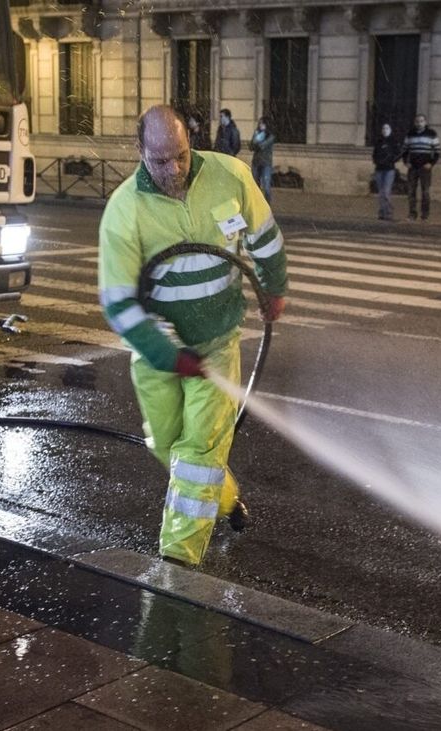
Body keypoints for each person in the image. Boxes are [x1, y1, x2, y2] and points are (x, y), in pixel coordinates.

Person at [99, 105, 289, 567]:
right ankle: (226, 502)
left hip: (219, 340)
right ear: (140, 152)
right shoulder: (125, 211)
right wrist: (168, 352)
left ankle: (179, 560)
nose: (174, 169)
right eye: (160, 160)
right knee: (165, 445)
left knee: (199, 450)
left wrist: (274, 287)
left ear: (190, 142)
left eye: (180, 156)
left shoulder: (231, 175)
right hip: (157, 351)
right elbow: (120, 303)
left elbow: (265, 237)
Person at [402, 114, 440, 222]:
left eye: (422, 121)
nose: (419, 123)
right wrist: (406, 162)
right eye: (417, 121)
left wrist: (431, 164)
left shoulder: (432, 134)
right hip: (413, 167)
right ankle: (412, 215)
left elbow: (437, 152)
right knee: (411, 191)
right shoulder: (410, 134)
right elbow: (404, 150)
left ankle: (425, 216)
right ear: (415, 122)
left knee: (425, 192)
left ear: (425, 122)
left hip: (425, 167)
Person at [372, 123, 403, 221]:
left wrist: (391, 160)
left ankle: (388, 213)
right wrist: (376, 161)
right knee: (381, 192)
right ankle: (382, 212)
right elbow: (374, 154)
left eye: (387, 128)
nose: (385, 130)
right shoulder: (379, 141)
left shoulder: (393, 141)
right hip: (379, 169)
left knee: (386, 191)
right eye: (383, 128)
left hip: (389, 169)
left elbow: (399, 153)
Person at [249, 117, 276, 202]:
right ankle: (256, 204)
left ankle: (267, 205)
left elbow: (262, 146)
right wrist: (255, 140)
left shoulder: (271, 136)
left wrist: (256, 141)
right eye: (260, 123)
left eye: (262, 124)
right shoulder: (256, 134)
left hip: (266, 163)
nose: (260, 125)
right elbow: (251, 147)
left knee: (266, 186)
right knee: (255, 186)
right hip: (256, 162)